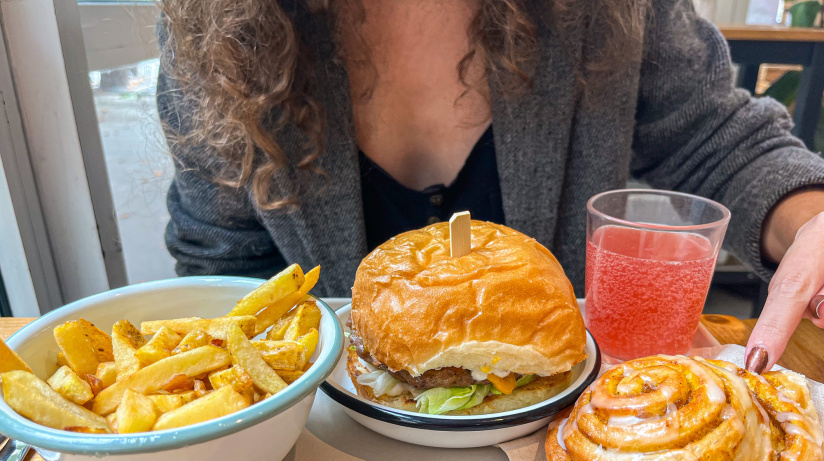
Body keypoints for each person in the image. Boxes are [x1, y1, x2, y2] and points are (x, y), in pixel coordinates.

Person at [156, 0, 824, 374]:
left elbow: (723, 143)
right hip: (322, 456)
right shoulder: (223, 26)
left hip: (568, 433)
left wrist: (811, 221)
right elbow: (221, 266)